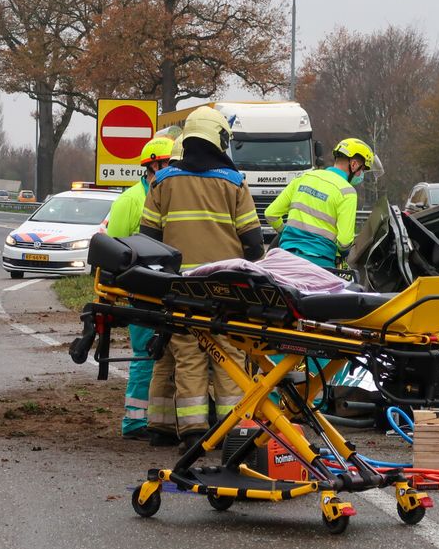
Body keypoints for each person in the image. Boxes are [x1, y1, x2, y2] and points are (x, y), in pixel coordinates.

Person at [140, 107, 264, 451]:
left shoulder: (162, 182)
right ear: (218, 139)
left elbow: (147, 238)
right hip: (227, 289)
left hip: (180, 288)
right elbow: (254, 243)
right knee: (229, 356)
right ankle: (231, 431)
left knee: (187, 357)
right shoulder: (235, 183)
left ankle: (193, 431)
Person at [106, 136, 175, 442]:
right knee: (146, 355)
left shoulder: (172, 195)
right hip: (143, 292)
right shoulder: (131, 200)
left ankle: (162, 418)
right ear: (154, 166)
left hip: (169, 289)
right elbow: (114, 249)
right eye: (170, 164)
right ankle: (134, 421)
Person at [264, 138, 376, 268]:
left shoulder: (303, 178)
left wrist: (286, 233)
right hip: (320, 264)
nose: (361, 174)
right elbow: (344, 242)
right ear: (354, 164)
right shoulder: (347, 192)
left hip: (286, 257)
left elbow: (270, 214)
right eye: (362, 170)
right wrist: (344, 255)